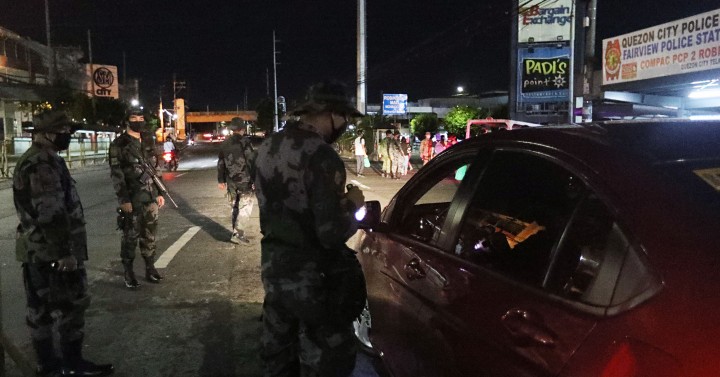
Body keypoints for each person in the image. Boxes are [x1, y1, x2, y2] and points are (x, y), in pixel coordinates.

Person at [254, 81, 366, 376]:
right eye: (345, 117)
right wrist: (352, 206)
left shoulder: (267, 147)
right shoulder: (321, 155)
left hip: (274, 270)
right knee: (330, 358)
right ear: (330, 113)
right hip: (313, 279)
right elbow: (330, 233)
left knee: (278, 357)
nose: (345, 124)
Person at [13, 111, 114, 377]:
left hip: (41, 250)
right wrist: (65, 253)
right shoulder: (41, 164)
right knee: (68, 307)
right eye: (62, 131)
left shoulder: (47, 160)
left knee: (43, 310)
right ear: (44, 133)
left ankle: (52, 365)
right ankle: (66, 364)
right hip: (51, 253)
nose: (67, 135)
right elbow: (50, 212)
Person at [109, 118, 167, 288]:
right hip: (132, 198)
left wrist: (159, 192)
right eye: (134, 119)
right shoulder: (119, 144)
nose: (139, 122)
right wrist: (123, 199)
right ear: (127, 121)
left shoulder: (148, 140)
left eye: (141, 119)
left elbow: (156, 167)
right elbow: (116, 174)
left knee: (150, 234)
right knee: (130, 236)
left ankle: (150, 268)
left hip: (150, 197)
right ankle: (128, 272)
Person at [217, 117, 256, 244]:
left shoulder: (224, 143)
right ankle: (238, 234)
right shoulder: (245, 142)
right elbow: (251, 161)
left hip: (231, 180)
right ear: (242, 129)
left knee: (234, 206)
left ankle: (235, 232)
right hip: (245, 180)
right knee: (245, 206)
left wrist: (221, 180)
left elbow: (221, 163)